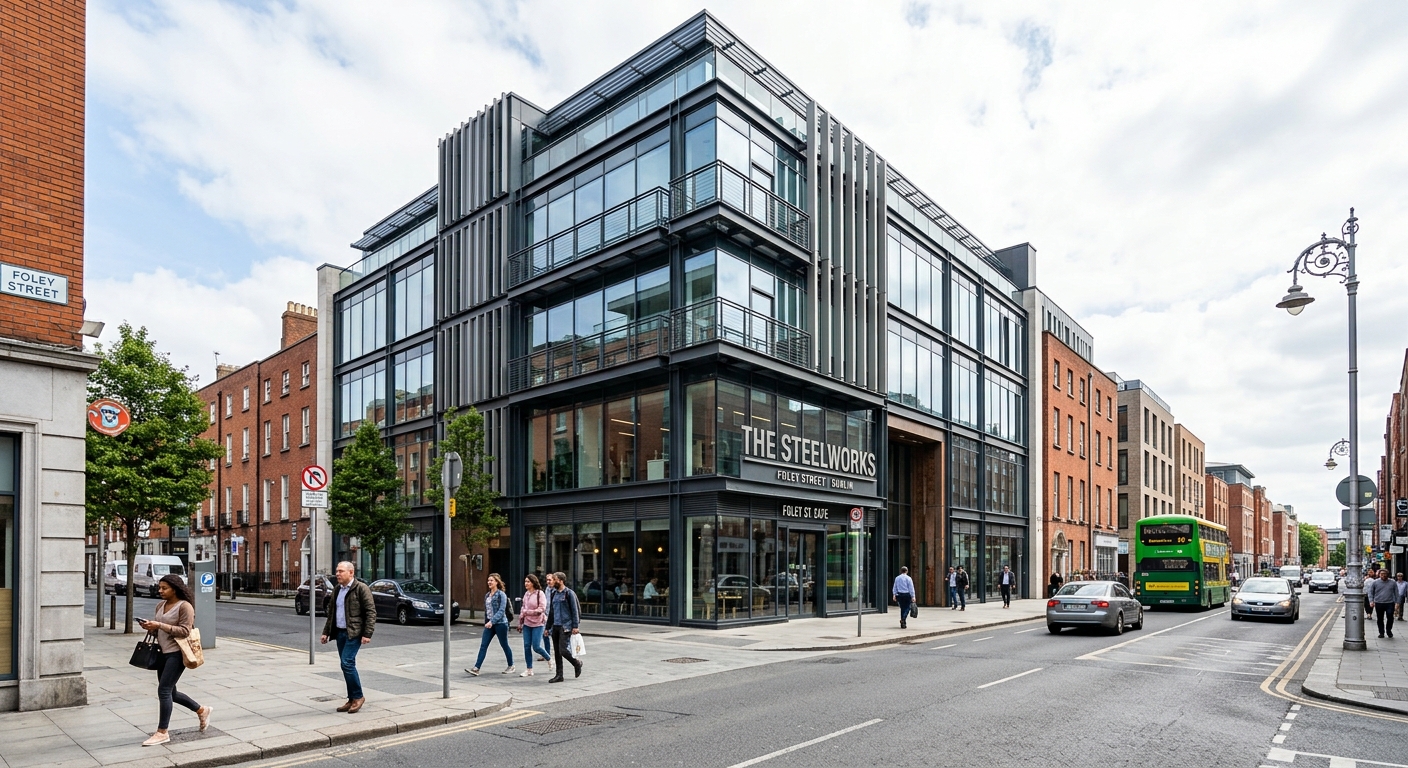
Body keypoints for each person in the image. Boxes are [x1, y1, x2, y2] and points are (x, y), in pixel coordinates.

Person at [137, 575, 212, 746]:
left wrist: (159, 625)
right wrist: (151, 628)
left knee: (163, 691)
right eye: (160, 587)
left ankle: (162, 732)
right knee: (171, 693)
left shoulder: (185, 607)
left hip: (177, 653)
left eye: (164, 588)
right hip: (162, 652)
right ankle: (202, 710)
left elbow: (185, 631)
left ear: (175, 588)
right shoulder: (160, 605)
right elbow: (160, 631)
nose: (160, 591)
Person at [320, 560, 376, 714]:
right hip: (340, 632)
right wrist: (326, 632)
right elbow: (331, 613)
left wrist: (367, 633)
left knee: (347, 663)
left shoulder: (361, 589)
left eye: (341, 571)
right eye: (337, 571)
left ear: (351, 572)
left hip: (354, 632)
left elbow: (371, 612)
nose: (337, 574)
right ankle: (351, 699)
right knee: (345, 665)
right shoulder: (337, 589)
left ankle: (358, 697)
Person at [467, 573, 515, 675]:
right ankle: (476, 668)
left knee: (504, 645)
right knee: (483, 645)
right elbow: (487, 611)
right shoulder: (487, 596)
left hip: (501, 624)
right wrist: (487, 622)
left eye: (491, 580)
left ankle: (511, 665)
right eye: (488, 580)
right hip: (489, 624)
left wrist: (491, 621)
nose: (489, 582)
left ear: (497, 582)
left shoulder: (501, 595)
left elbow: (501, 611)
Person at [547, 571, 583, 683]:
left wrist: (575, 626)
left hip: (565, 626)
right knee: (557, 652)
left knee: (563, 650)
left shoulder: (569, 593)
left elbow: (575, 610)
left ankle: (577, 663)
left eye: (555, 579)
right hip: (555, 626)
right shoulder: (554, 593)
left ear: (561, 581)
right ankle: (559, 675)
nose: (553, 581)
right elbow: (551, 612)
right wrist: (547, 627)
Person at [517, 574, 551, 677]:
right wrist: (520, 622)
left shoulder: (540, 594)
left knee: (536, 646)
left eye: (528, 582)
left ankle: (549, 658)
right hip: (527, 623)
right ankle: (529, 669)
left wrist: (529, 612)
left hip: (538, 623)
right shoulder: (526, 594)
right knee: (527, 646)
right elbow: (523, 609)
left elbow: (542, 609)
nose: (526, 584)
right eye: (525, 581)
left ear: (533, 583)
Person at [1367, 567, 1398, 639]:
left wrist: (1397, 603)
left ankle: (1388, 630)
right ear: (1379, 575)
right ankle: (1381, 632)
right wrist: (1371, 601)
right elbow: (1370, 592)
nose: (1383, 575)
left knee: (1390, 617)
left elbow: (1396, 593)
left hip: (1390, 603)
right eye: (1381, 574)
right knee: (1380, 618)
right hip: (1379, 602)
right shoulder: (1375, 582)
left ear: (1388, 574)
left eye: (1385, 574)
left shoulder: (1392, 582)